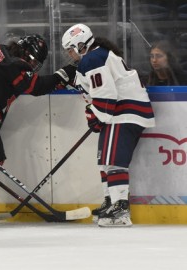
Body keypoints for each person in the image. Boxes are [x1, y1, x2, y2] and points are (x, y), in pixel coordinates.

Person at [0, 34, 77, 226]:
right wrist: (63, 74)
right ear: (25, 52)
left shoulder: (0, 51)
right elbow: (36, 87)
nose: (32, 65)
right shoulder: (15, 64)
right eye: (32, 60)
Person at [61, 24, 155, 227]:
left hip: (122, 112)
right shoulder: (96, 56)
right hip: (120, 112)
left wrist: (96, 114)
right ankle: (111, 201)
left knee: (114, 162)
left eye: (70, 49)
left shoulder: (93, 58)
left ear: (80, 45)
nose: (69, 54)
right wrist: (94, 113)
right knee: (105, 160)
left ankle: (121, 209)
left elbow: (106, 96)